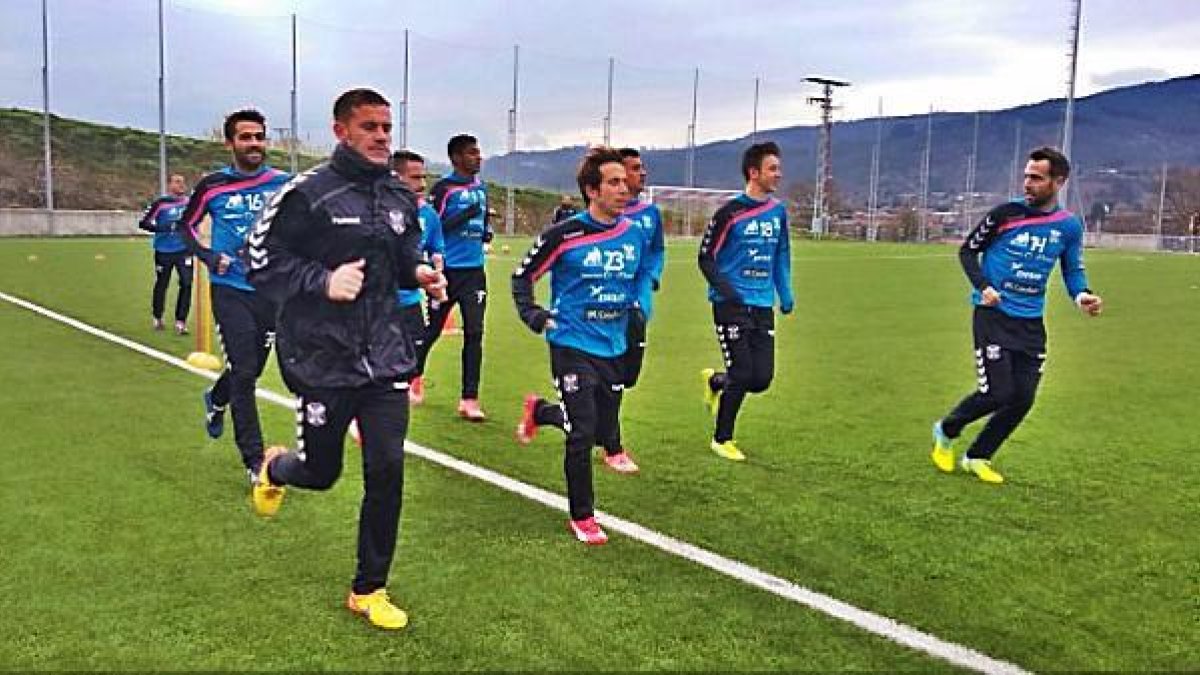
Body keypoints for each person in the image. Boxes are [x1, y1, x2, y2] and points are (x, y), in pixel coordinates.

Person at [247, 88, 447, 629]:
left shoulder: (400, 197)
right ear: (341, 131)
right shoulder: (307, 194)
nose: (382, 136)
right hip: (322, 359)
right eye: (369, 127)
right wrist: (322, 280)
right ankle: (275, 467)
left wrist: (421, 275)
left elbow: (401, 262)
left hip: (386, 359)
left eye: (387, 126)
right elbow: (260, 260)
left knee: (387, 469)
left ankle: (368, 588)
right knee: (320, 472)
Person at [931, 146, 1103, 484]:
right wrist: (983, 286)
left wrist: (1082, 295)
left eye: (1037, 178)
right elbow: (968, 251)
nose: (1028, 183)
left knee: (1022, 398)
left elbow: (1072, 270)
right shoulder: (1004, 214)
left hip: (1030, 323)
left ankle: (978, 456)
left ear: (1059, 181)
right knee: (997, 392)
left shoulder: (1068, 227)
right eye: (1026, 176)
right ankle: (946, 429)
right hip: (993, 315)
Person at [512, 147, 653, 544]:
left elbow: (642, 275)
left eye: (625, 182)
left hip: (615, 343)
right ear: (592, 190)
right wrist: (535, 315)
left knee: (596, 430)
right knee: (582, 432)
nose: (624, 188)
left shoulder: (634, 234)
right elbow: (522, 277)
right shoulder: (564, 235)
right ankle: (583, 515)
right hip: (571, 341)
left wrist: (639, 304)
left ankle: (539, 411)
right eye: (613, 182)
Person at [179, 109, 290, 483]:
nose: (254, 143)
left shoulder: (283, 183)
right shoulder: (212, 186)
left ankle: (216, 399)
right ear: (230, 143)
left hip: (271, 292)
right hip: (231, 291)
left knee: (252, 367)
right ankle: (255, 461)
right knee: (245, 372)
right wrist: (210, 257)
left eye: (259, 136)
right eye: (246, 137)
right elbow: (186, 226)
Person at [697, 141, 793, 462]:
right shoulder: (729, 213)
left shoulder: (778, 212)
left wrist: (785, 292)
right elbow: (706, 258)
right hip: (730, 304)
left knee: (760, 379)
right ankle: (722, 438)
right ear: (754, 172)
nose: (778, 174)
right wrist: (728, 291)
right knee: (742, 371)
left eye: (778, 168)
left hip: (762, 303)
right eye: (772, 168)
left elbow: (781, 254)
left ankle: (715, 382)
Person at [413, 134, 492, 421]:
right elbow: (435, 226)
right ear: (456, 158)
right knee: (430, 330)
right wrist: (463, 216)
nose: (478, 157)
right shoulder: (444, 189)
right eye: (472, 153)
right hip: (446, 271)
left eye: (479, 151)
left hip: (474, 272)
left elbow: (482, 222)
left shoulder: (481, 188)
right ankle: (414, 378)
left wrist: (485, 231)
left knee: (474, 333)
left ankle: (469, 398)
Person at [392, 149, 445, 404]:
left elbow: (435, 250)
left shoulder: (428, 215)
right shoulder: (375, 212)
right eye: (414, 177)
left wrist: (437, 277)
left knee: (412, 357)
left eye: (424, 177)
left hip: (411, 301)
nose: (422, 184)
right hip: (378, 303)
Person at [137, 173, 193, 335]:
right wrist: (164, 228)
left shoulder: (190, 203)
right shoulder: (161, 204)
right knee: (162, 283)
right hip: (164, 250)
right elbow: (144, 223)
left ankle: (181, 321)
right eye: (177, 182)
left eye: (183, 182)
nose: (181, 185)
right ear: (170, 185)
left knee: (187, 283)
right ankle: (157, 316)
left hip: (185, 250)